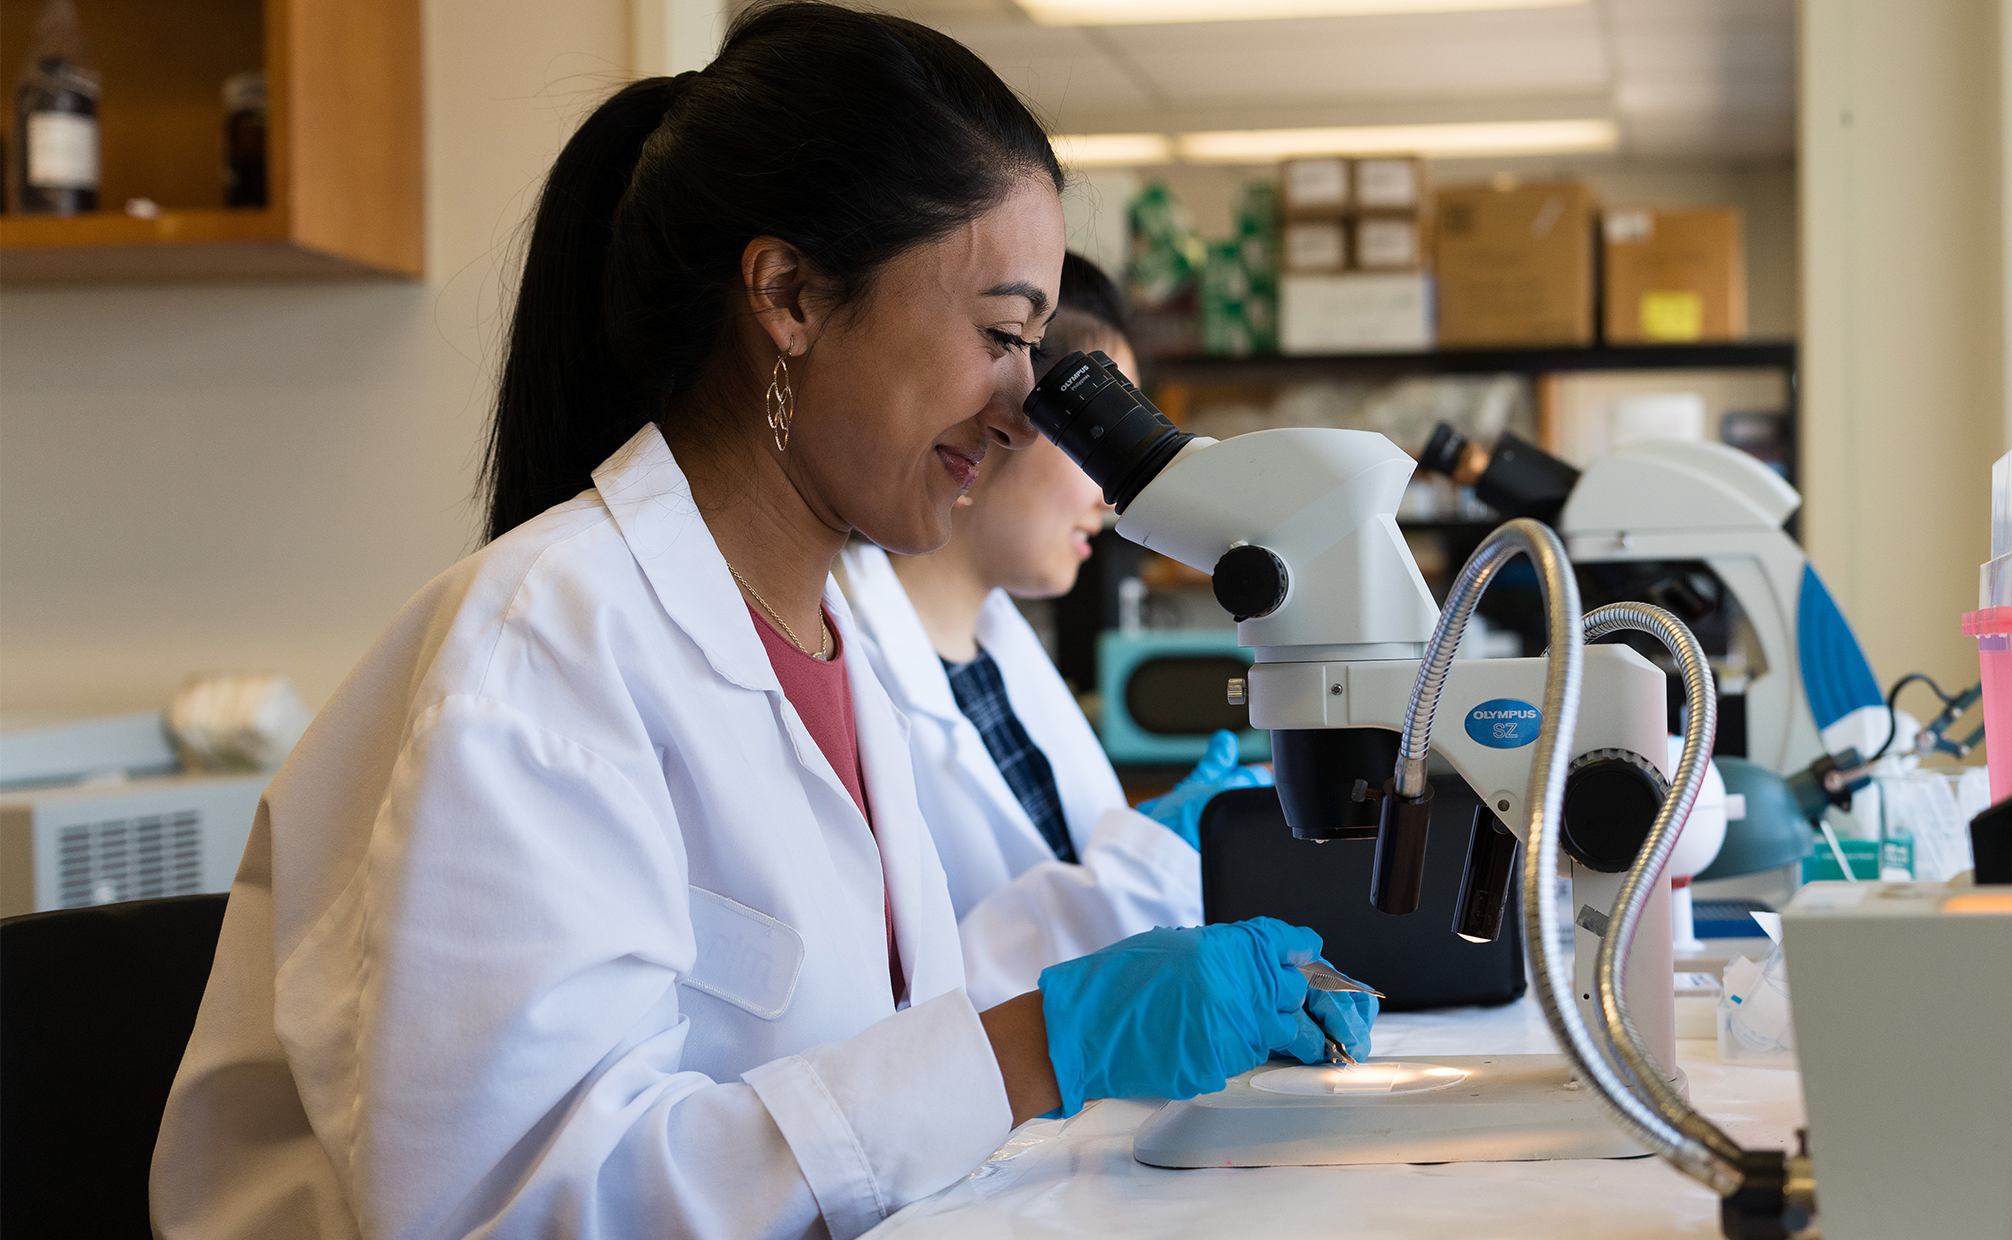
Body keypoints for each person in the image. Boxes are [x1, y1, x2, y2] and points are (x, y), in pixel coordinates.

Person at [148, 8, 1370, 1239]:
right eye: (1002, 335)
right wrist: (1041, 1045)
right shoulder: (547, 644)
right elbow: (520, 1209)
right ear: (788, 294)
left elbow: (866, 1099)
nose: (1023, 411)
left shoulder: (835, 638)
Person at [834, 252, 1264, 1010]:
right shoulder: (847, 671)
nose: (1111, 496)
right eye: (1100, 442)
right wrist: (1141, 867)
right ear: (1000, 417)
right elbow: (899, 1005)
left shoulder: (1000, 649)